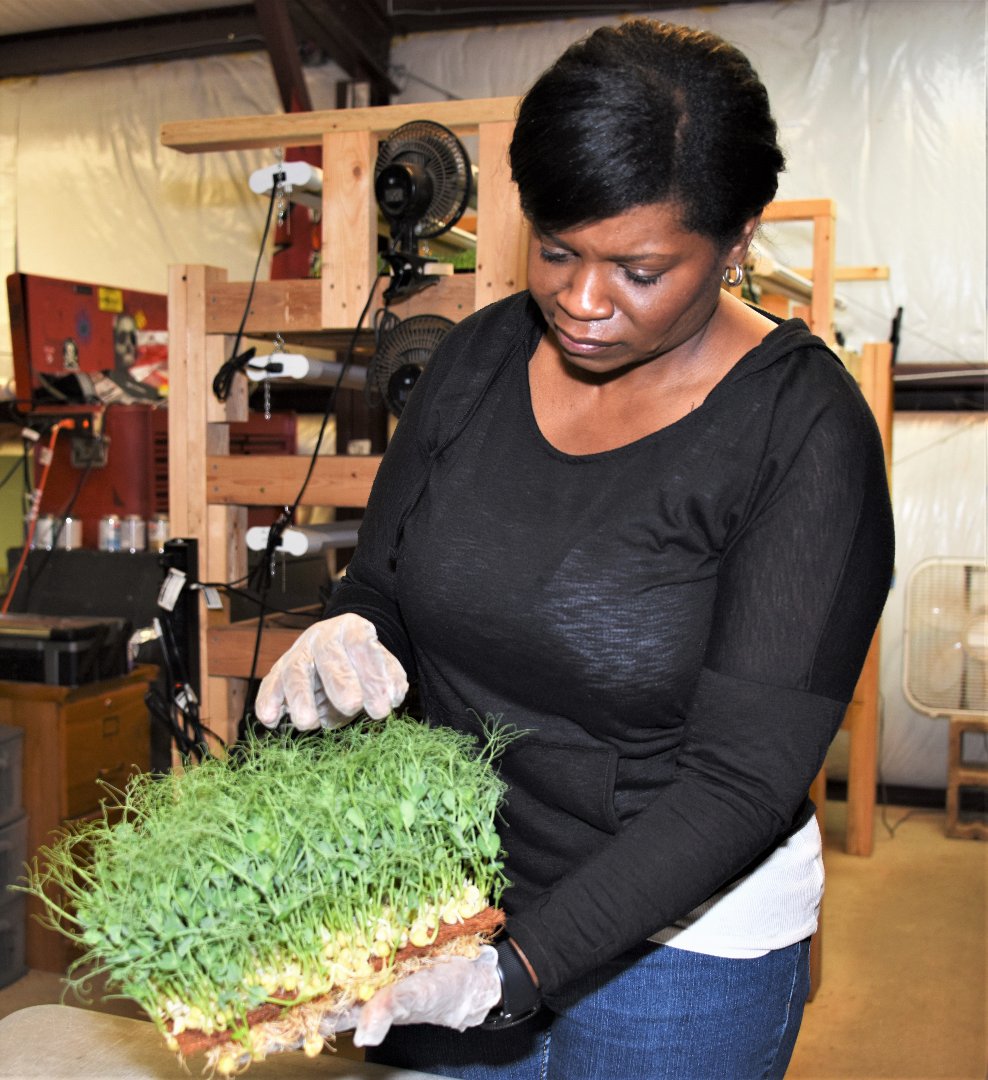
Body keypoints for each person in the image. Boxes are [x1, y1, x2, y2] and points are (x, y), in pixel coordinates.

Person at [255, 19, 894, 1080]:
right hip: (451, 892)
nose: (584, 303)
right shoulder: (472, 363)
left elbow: (739, 779)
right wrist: (345, 630)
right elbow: (383, 585)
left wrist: (518, 970)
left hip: (683, 940)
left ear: (737, 238)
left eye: (639, 270)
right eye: (557, 250)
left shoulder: (802, 432)